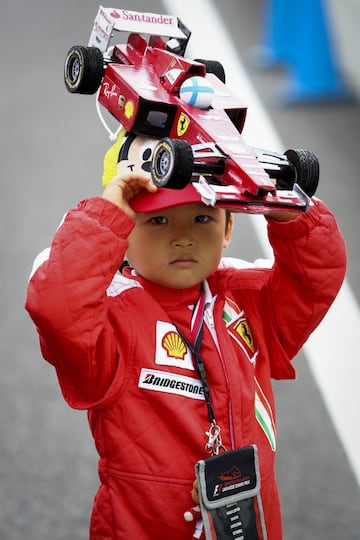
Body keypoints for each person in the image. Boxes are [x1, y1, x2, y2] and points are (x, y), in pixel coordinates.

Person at [25, 130, 346, 540]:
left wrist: (288, 208)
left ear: (229, 227)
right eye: (157, 219)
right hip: (141, 527)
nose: (183, 236)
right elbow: (57, 304)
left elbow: (315, 277)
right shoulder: (112, 317)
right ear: (123, 232)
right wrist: (106, 215)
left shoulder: (248, 298)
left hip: (250, 523)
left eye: (202, 217)